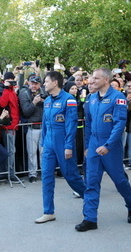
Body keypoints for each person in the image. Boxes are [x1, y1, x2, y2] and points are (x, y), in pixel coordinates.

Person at [75, 68, 131, 232]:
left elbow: (119, 124)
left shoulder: (117, 97)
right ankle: (90, 218)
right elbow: (88, 124)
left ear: (106, 80)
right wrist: (89, 146)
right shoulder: (91, 99)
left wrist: (108, 145)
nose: (92, 81)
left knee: (120, 181)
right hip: (94, 145)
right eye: (91, 79)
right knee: (91, 182)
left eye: (96, 79)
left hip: (111, 147)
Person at [35, 71, 86, 224]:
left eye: (46, 81)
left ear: (55, 82)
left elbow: (71, 123)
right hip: (49, 143)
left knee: (71, 177)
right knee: (46, 178)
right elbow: (45, 123)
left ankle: (90, 198)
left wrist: (69, 146)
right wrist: (43, 143)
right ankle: (48, 211)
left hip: (63, 143)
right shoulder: (48, 101)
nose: (44, 84)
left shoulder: (69, 99)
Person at [18, 75, 45, 183]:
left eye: (36, 83)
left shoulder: (45, 92)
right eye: (32, 83)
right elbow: (26, 112)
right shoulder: (24, 93)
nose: (34, 86)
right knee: (31, 152)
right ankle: (32, 173)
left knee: (44, 152)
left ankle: (44, 172)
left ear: (40, 84)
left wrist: (43, 101)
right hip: (32, 126)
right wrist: (34, 102)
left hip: (43, 126)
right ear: (28, 83)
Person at [0, 72, 21, 183]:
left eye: (12, 79)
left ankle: (7, 173)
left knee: (11, 150)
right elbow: (2, 103)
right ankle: (9, 173)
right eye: (9, 79)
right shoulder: (3, 90)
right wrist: (6, 88)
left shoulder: (12, 90)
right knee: (10, 150)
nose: (11, 80)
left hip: (13, 125)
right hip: (8, 126)